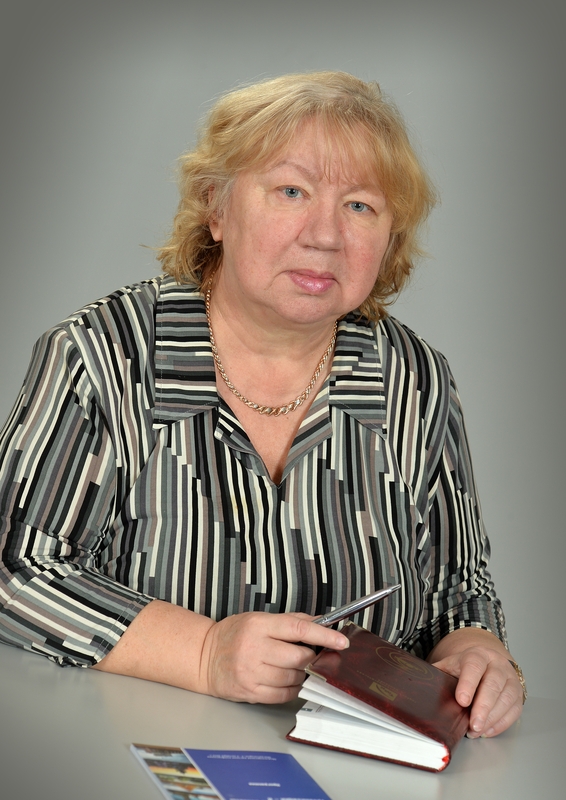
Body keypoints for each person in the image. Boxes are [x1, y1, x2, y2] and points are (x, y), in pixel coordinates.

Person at [0, 71, 525, 739]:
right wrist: (203, 652)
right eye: (291, 192)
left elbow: (457, 587)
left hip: (357, 764)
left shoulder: (414, 379)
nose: (325, 235)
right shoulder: (101, 356)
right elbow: (15, 569)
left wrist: (478, 649)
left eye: (360, 206)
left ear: (390, 237)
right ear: (215, 208)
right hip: (128, 752)